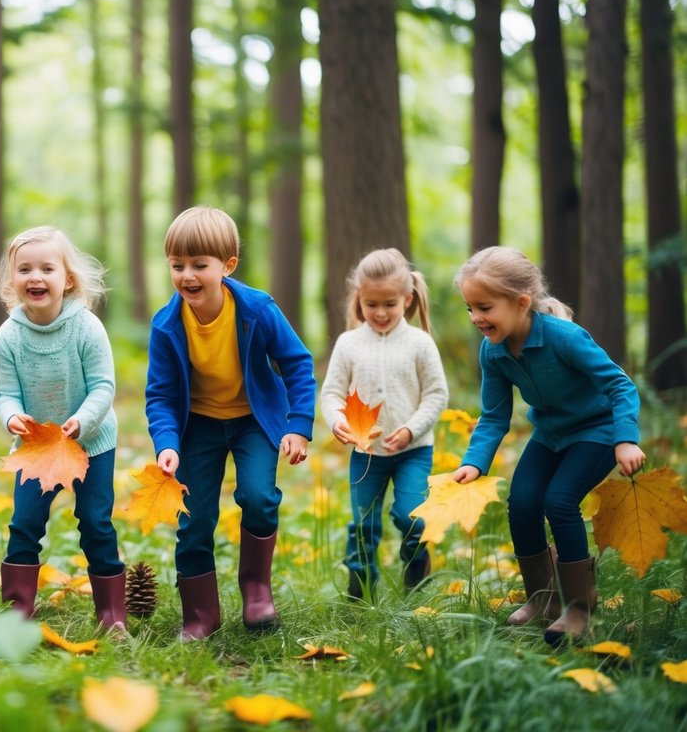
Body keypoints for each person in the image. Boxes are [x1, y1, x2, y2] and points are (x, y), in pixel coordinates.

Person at [452, 246, 646, 643]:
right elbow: (493, 416)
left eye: (484, 307)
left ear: (521, 302)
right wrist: (475, 462)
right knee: (522, 502)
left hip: (596, 431)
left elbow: (619, 384)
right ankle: (543, 601)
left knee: (558, 500)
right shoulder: (494, 351)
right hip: (550, 436)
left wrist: (625, 439)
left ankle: (579, 609)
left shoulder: (564, 338)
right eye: (469, 308)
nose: (476, 318)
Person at [145, 206, 316, 640]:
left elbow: (296, 363)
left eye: (199, 265)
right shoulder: (167, 325)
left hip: (252, 421)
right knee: (194, 516)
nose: (187, 275)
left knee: (258, 496)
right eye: (177, 265)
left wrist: (298, 424)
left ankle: (257, 591)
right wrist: (166, 442)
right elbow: (161, 394)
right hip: (198, 424)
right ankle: (200, 613)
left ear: (227, 266)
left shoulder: (256, 309)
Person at [0, 226, 125, 632]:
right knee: (25, 523)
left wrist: (82, 420)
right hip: (36, 447)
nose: (35, 277)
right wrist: (12, 416)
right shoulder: (10, 334)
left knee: (95, 520)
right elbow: (5, 393)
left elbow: (104, 385)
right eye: (25, 269)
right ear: (12, 280)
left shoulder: (85, 327)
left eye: (47, 268)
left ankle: (111, 614)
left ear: (67, 279)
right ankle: (18, 609)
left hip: (91, 443)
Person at [320, 248, 448, 600]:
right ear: (358, 298)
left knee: (411, 516)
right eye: (370, 303)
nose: (379, 312)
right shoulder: (348, 344)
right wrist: (337, 421)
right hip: (366, 453)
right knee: (363, 523)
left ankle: (417, 564)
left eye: (389, 304)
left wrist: (410, 429)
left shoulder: (420, 344)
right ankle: (359, 590)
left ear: (407, 299)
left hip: (413, 451)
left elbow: (437, 394)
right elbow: (331, 393)